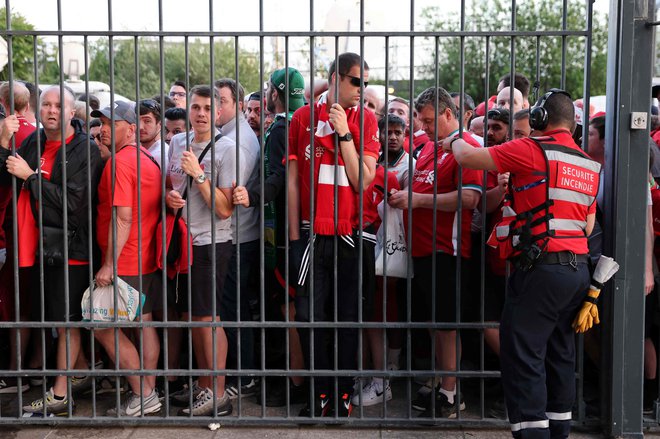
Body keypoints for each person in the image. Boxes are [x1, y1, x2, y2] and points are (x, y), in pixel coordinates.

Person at [443, 89, 600, 438]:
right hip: (577, 271)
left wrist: (453, 141)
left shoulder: (531, 149)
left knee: (523, 357)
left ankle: (531, 434)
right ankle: (558, 430)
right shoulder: (588, 164)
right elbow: (587, 226)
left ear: (540, 118)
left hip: (540, 269)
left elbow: (468, 157)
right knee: (560, 355)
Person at [288, 52, 380, 418]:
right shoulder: (302, 117)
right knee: (310, 317)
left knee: (346, 318)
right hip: (311, 236)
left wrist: (344, 133)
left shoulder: (367, 119)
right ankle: (319, 392)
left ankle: (342, 392)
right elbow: (293, 182)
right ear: (335, 79)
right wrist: (294, 240)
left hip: (352, 235)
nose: (361, 89)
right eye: (356, 81)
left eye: (366, 84)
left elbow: (363, 180)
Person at [0, 86, 102, 413]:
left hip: (73, 247)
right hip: (44, 248)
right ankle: (81, 373)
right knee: (59, 318)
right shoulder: (37, 141)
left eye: (59, 105)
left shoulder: (84, 149)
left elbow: (73, 203)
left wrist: (30, 178)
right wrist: (3, 142)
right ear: (37, 108)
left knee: (67, 321)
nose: (52, 110)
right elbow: (7, 177)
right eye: (46, 104)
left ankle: (59, 394)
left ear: (73, 113)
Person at [388, 86, 483, 418]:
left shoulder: (466, 147)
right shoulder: (429, 147)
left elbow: (470, 198)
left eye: (429, 121)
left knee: (447, 325)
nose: (423, 127)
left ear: (448, 114)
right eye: (420, 120)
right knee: (435, 321)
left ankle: (450, 392)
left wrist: (416, 200)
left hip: (448, 249)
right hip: (423, 249)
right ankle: (444, 380)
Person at [233, 67, 307, 407]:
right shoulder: (300, 117)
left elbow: (279, 175)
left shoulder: (281, 126)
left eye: (268, 89)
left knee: (287, 307)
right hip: (295, 228)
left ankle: (294, 383)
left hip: (282, 233)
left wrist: (253, 194)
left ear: (274, 94)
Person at [166, 85, 235, 416]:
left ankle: (219, 392)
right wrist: (170, 198)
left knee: (209, 319)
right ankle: (205, 385)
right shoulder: (178, 142)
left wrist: (200, 175)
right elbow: (171, 186)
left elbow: (224, 209)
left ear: (218, 112)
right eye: (196, 107)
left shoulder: (227, 148)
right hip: (182, 241)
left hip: (212, 242)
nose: (202, 113)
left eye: (208, 108)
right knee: (193, 319)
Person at [92, 101, 163, 417]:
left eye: (111, 123)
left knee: (100, 326)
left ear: (131, 129)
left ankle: (143, 393)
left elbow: (122, 217)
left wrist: (108, 265)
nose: (103, 128)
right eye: (103, 123)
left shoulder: (121, 163)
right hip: (144, 257)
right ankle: (148, 391)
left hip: (125, 261)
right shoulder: (145, 158)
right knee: (144, 326)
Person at [213, 78, 261, 400]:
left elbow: (231, 198)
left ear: (238, 105)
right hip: (234, 236)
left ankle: (242, 376)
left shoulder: (239, 140)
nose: (215, 107)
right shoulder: (229, 135)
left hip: (237, 237)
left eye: (221, 101)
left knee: (233, 309)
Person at [137, 99, 168, 169]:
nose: (140, 127)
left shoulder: (161, 155)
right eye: (136, 120)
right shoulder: (139, 150)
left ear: (160, 124)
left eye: (147, 121)